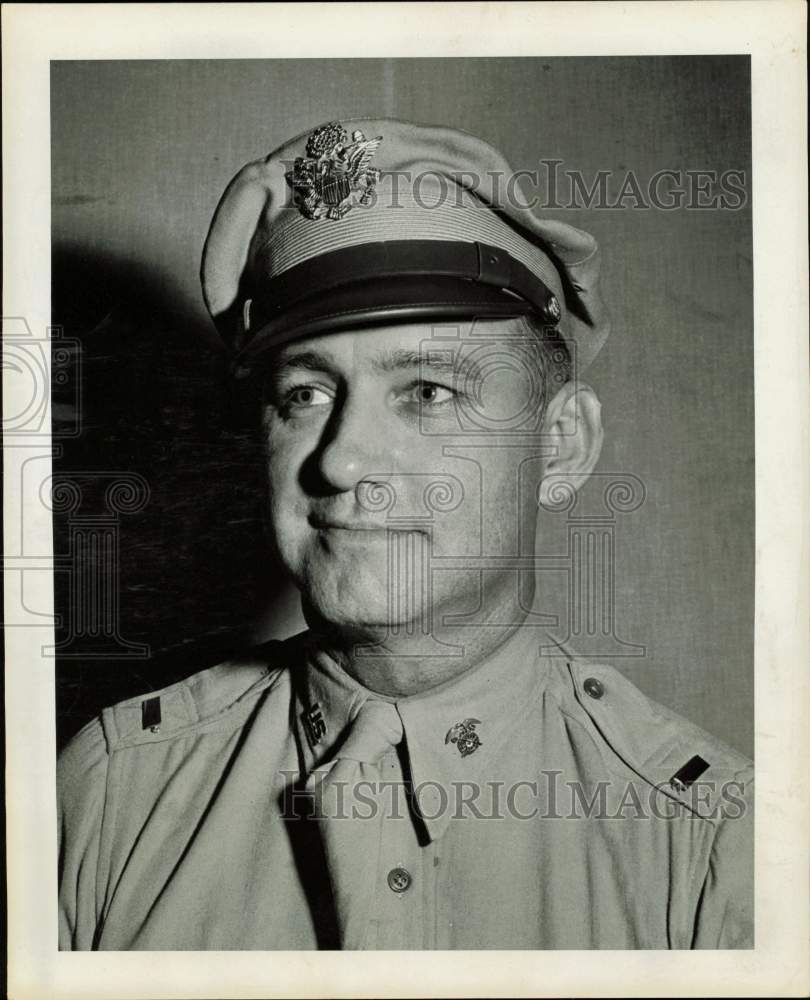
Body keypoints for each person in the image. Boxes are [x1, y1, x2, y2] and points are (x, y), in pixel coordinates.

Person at [57, 117, 753, 950]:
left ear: (562, 444)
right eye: (304, 395)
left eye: (428, 390)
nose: (343, 460)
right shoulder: (109, 797)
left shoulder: (712, 845)